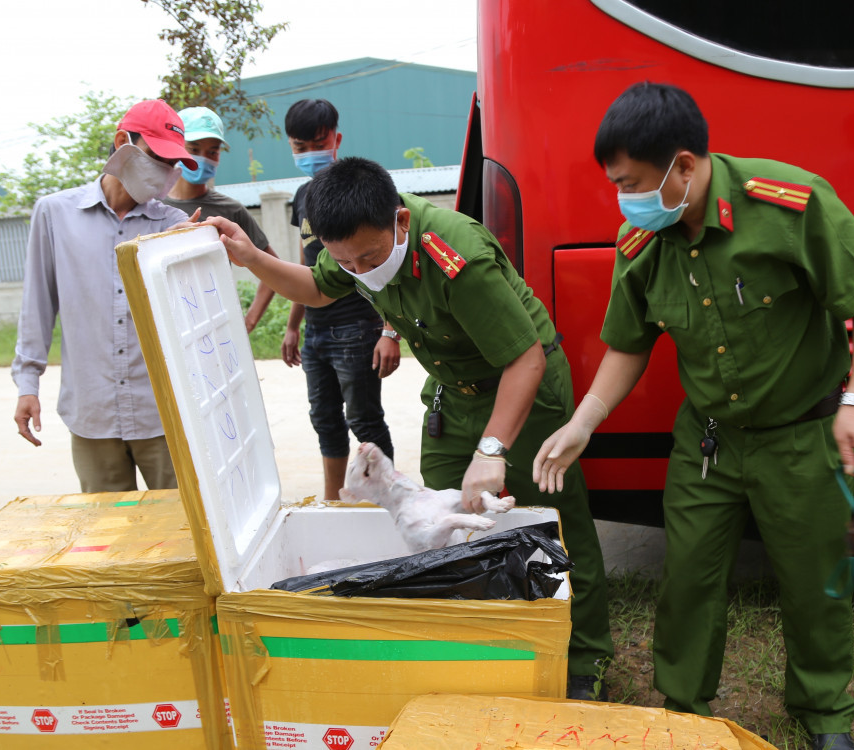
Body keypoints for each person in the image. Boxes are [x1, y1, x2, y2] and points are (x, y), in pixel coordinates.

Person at [533, 82, 854, 749]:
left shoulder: (788, 204)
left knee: (814, 583)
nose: (624, 200)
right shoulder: (642, 242)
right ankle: (684, 708)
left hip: (802, 434)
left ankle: (824, 712)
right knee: (689, 580)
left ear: (684, 166)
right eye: (616, 185)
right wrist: (584, 420)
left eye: (631, 183)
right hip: (708, 441)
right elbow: (629, 343)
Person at [204, 156, 615, 700]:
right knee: (443, 533)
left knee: (551, 527)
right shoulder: (355, 245)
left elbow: (526, 359)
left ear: (400, 221)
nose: (359, 269)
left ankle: (583, 659)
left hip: (522, 391)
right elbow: (318, 289)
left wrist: (492, 449)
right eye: (345, 261)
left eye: (370, 257)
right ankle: (487, 648)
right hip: (453, 393)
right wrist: (253, 257)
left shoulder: (456, 255)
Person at [13, 99, 198, 493]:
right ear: (122, 142)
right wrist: (28, 384)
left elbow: (193, 318)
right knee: (108, 527)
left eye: (171, 163)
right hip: (91, 411)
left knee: (178, 522)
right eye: (156, 157)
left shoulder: (175, 226)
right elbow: (37, 305)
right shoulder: (54, 214)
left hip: (162, 413)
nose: (165, 171)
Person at [280, 99, 397, 501]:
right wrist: (293, 325)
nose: (310, 153)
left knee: (364, 421)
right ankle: (334, 502)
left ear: (336, 138)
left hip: (356, 326)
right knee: (325, 420)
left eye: (319, 143)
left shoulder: (360, 191)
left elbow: (391, 265)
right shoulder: (302, 196)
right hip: (316, 330)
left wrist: (389, 330)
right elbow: (306, 265)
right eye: (300, 146)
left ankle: (386, 499)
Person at [163, 105, 280, 333]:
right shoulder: (154, 208)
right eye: (194, 149)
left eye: (212, 152)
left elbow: (272, 268)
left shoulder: (230, 210)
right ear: (177, 148)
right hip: (169, 329)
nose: (203, 158)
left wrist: (248, 322)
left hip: (217, 330)